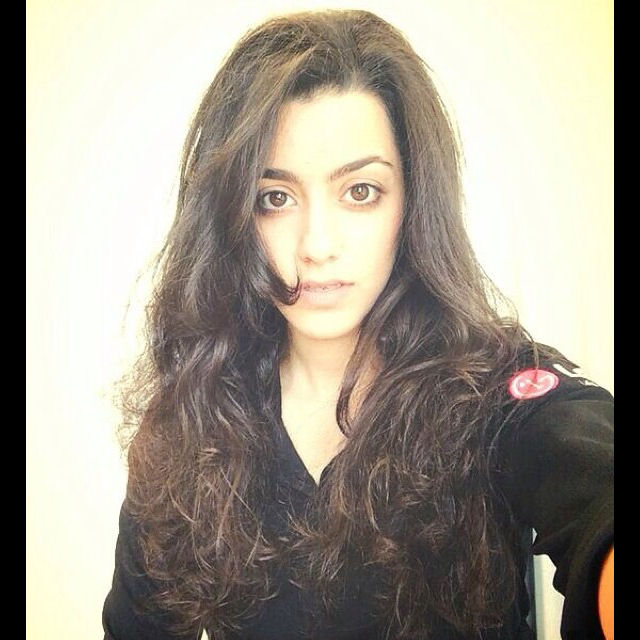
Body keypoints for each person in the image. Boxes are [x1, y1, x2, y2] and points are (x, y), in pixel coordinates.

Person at [102, 9, 613, 640]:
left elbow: (590, 471)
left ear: (412, 201)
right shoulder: (189, 421)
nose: (317, 246)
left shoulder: (492, 396)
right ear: (234, 215)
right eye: (275, 198)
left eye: (360, 191)